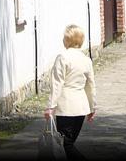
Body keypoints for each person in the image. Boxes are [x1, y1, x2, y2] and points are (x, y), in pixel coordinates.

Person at [44, 25, 96, 161]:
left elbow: (57, 83)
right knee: (68, 143)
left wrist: (50, 106)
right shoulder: (86, 59)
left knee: (65, 144)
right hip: (81, 107)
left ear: (67, 39)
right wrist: (92, 107)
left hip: (66, 107)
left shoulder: (63, 57)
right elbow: (90, 85)